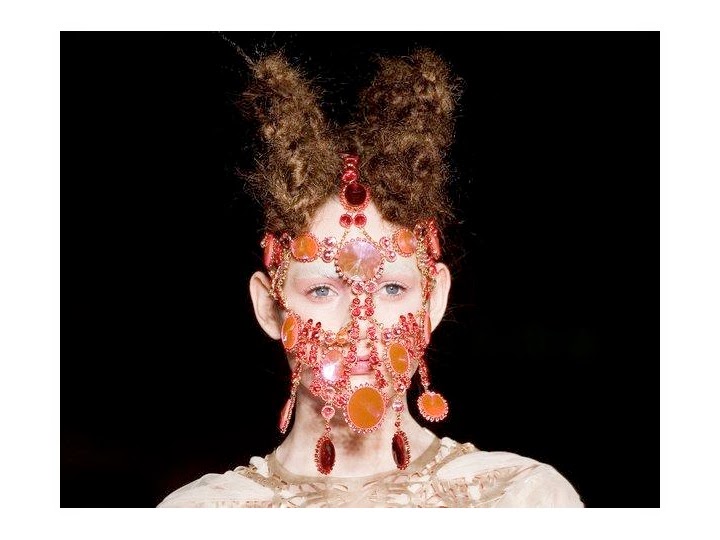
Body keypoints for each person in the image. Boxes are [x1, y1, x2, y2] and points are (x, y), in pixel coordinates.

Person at [157, 49, 583, 508]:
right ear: (268, 306)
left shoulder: (521, 498)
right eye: (323, 289)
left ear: (434, 299)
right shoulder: (202, 512)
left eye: (392, 288)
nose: (362, 324)